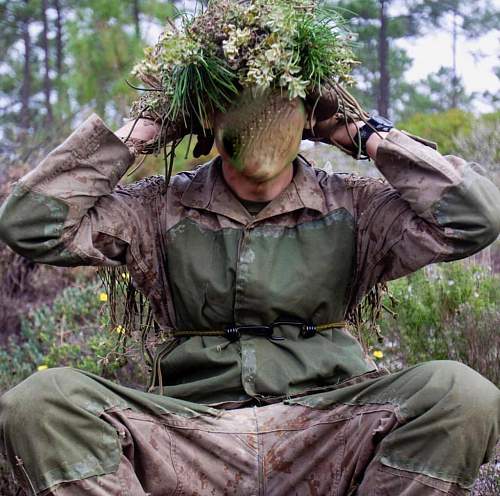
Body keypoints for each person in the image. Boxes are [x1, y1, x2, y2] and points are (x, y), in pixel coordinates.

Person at [0, 88, 499, 496]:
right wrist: (145, 130)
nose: (260, 116)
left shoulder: (352, 203)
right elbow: (29, 226)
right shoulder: (159, 206)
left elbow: (474, 218)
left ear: (310, 116)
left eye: (282, 99)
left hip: (330, 430)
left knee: (460, 394)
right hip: (190, 437)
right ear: (206, 117)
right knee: (42, 402)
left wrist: (362, 132)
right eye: (234, 100)